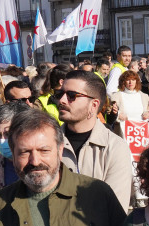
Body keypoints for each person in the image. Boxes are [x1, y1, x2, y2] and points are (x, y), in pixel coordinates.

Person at [56, 71, 133, 210]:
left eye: (71, 96)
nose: (62, 100)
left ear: (94, 104)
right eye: (59, 94)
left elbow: (114, 208)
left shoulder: (115, 147)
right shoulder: (47, 143)